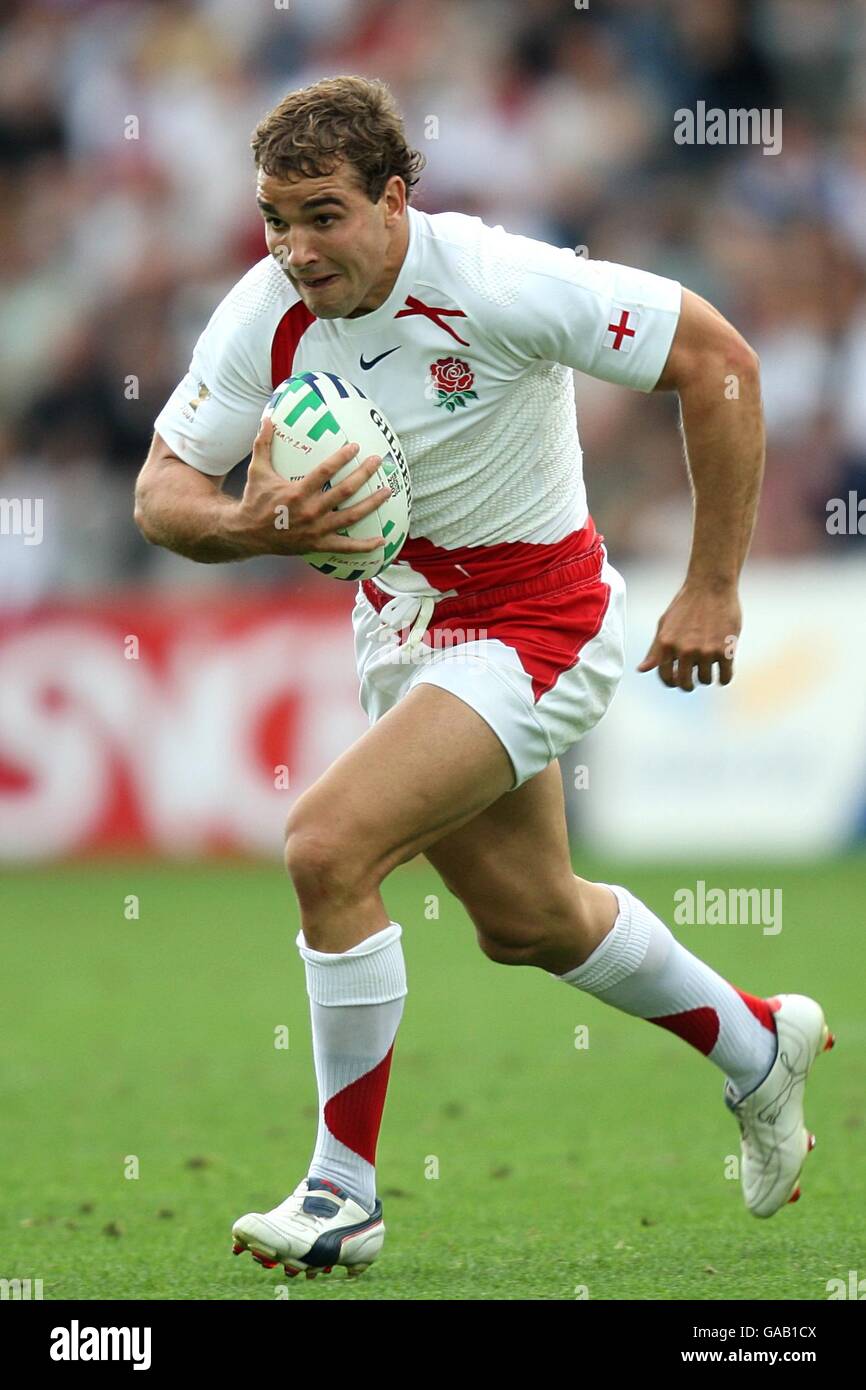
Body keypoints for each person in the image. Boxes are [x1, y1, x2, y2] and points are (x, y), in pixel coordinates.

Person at [134, 75, 833, 1281]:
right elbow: (161, 494)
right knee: (528, 920)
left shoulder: (499, 280)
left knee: (325, 846)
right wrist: (251, 525)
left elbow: (718, 362)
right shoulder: (262, 310)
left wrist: (712, 586)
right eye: (271, 219)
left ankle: (339, 1193)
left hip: (537, 619)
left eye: (320, 215)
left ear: (395, 201)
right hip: (402, 632)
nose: (293, 249)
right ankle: (757, 1044)